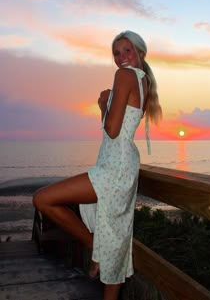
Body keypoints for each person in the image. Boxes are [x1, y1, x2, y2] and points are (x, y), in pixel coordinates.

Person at [33, 30, 162, 300]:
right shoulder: (143, 81)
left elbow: (112, 130)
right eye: (117, 53)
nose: (122, 57)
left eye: (127, 50)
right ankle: (100, 251)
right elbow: (117, 130)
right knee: (115, 230)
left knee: (43, 199)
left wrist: (104, 105)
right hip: (120, 163)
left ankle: (94, 247)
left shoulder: (124, 76)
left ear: (140, 52)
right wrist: (108, 105)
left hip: (114, 167)